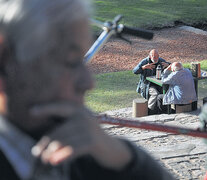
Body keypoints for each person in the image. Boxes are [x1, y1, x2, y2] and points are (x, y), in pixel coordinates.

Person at [0, 0, 175, 179]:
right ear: (5, 63)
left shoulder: (83, 150)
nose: (89, 83)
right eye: (70, 61)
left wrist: (123, 157)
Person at [133, 49, 170, 114]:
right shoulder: (144, 61)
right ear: (150, 56)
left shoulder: (161, 61)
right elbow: (134, 71)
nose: (156, 58)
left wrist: (168, 65)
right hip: (147, 84)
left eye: (157, 56)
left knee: (167, 90)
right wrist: (143, 67)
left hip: (158, 83)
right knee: (155, 94)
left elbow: (175, 66)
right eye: (154, 57)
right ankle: (149, 110)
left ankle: (163, 109)